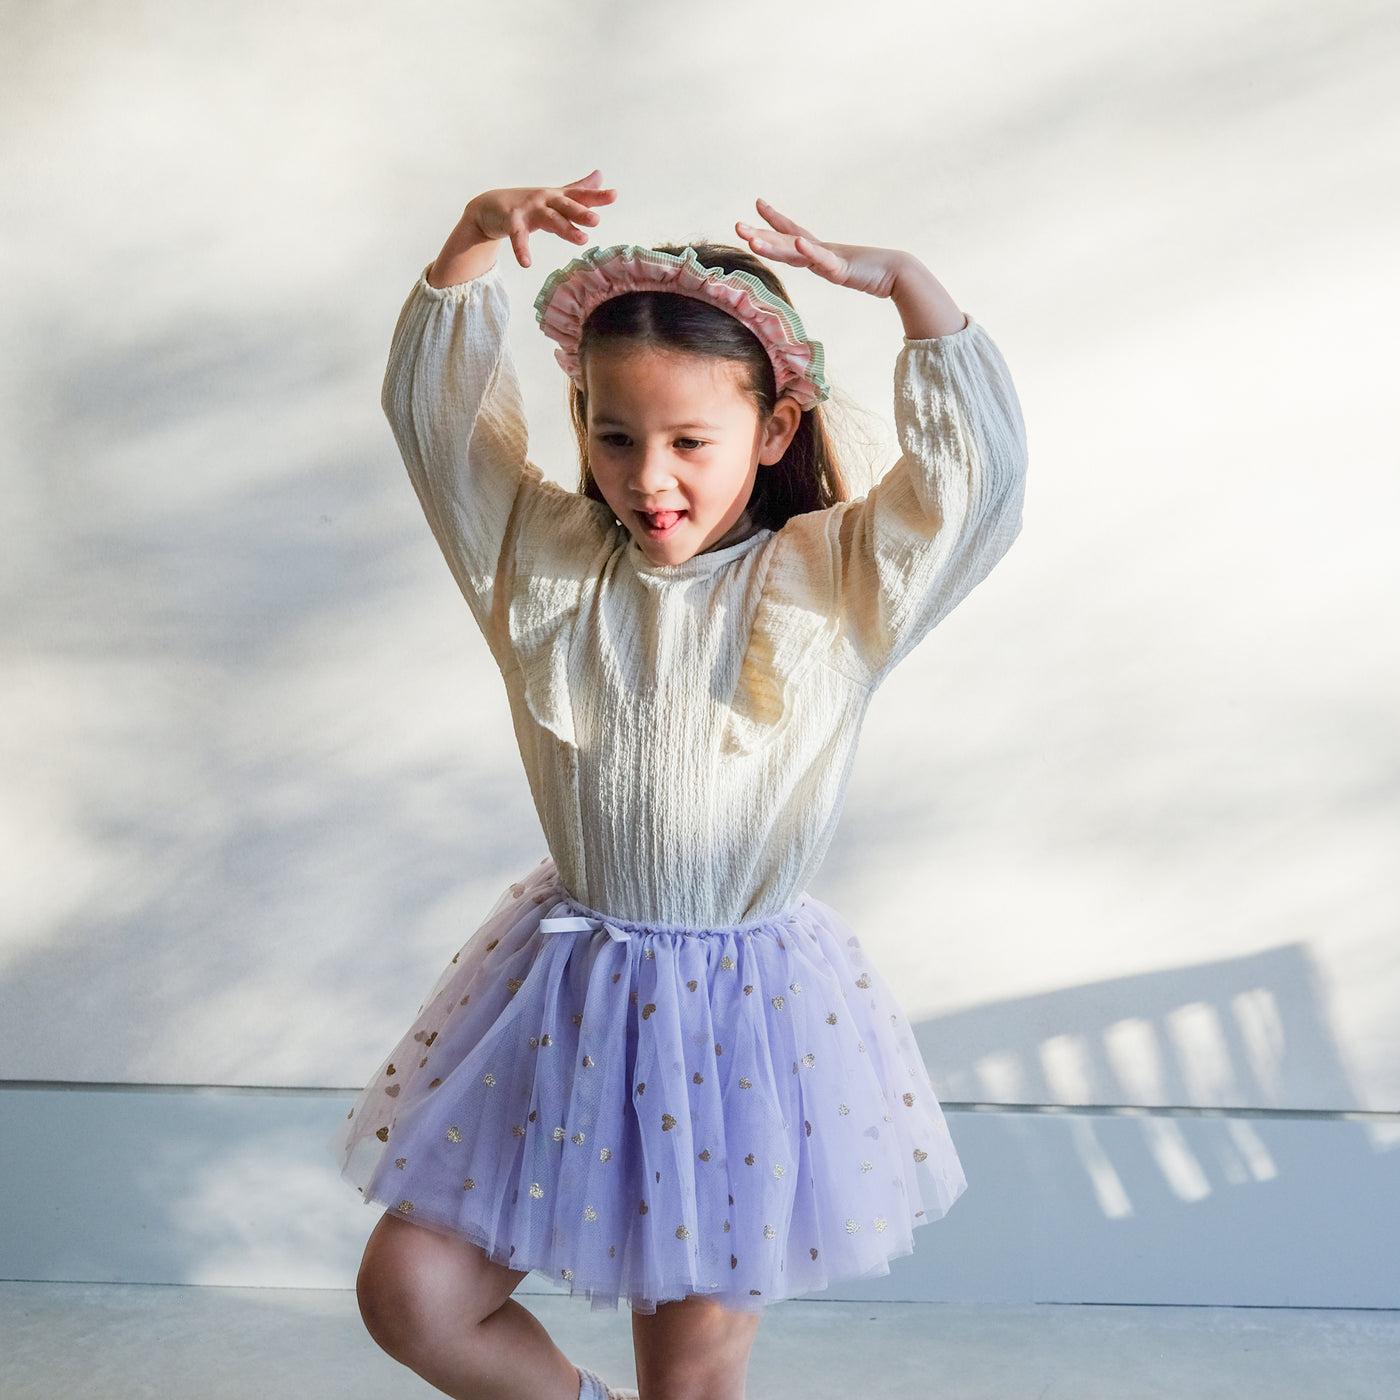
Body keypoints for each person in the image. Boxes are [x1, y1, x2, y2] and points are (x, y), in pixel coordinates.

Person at [334, 170, 1027, 1400]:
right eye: (612, 434)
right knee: (412, 1292)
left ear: (770, 432)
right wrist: (464, 248)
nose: (646, 474)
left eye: (689, 440)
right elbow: (436, 426)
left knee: (692, 1380)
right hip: (564, 995)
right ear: (580, 424)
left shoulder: (833, 580)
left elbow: (971, 493)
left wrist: (914, 290)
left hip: (736, 1022)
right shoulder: (537, 560)